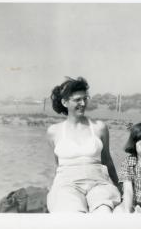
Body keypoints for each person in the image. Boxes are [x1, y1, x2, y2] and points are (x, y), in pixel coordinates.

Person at [46, 77, 121, 213]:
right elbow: (58, 165)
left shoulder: (99, 127)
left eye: (85, 98)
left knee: (103, 212)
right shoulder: (54, 131)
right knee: (73, 214)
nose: (83, 103)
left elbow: (107, 161)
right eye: (77, 100)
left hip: (99, 183)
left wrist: (119, 186)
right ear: (64, 102)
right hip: (67, 184)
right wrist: (54, 189)